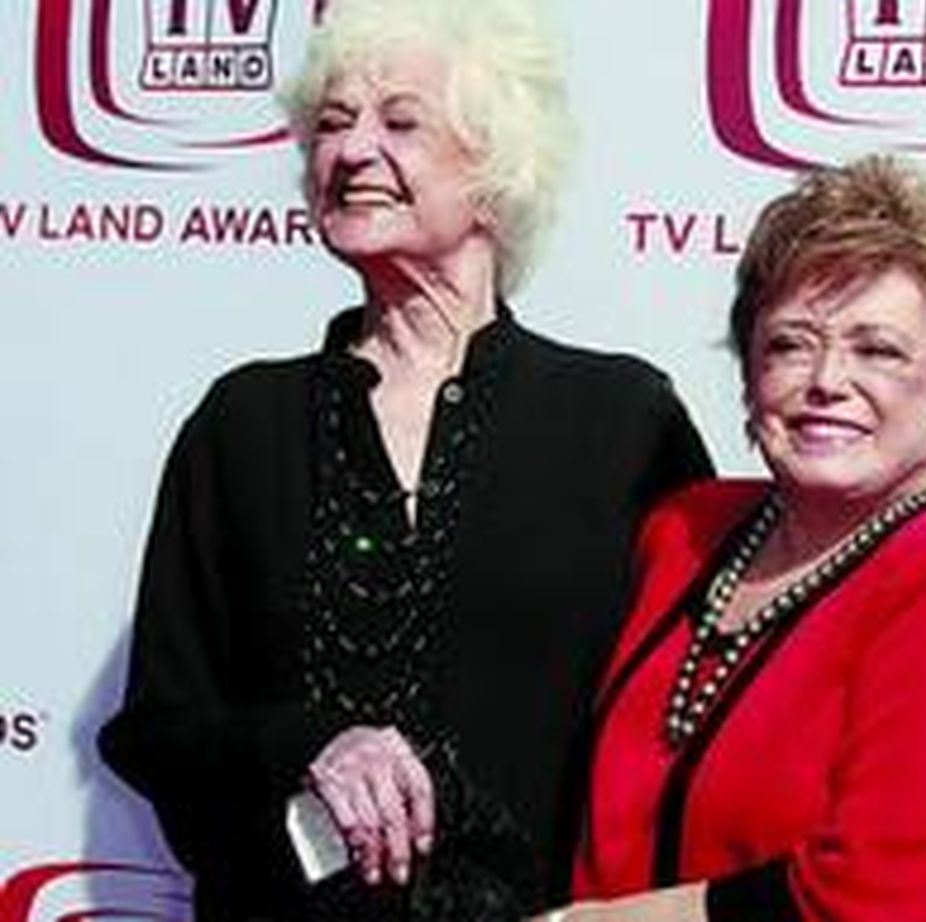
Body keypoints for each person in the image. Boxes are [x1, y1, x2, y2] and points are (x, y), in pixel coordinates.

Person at [96, 0, 711, 919]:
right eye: (332, 123)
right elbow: (157, 729)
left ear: (497, 165)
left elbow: (698, 718)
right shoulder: (243, 423)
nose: (351, 151)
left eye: (400, 122)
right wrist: (305, 744)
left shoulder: (621, 420)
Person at [542, 155, 926, 922]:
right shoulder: (685, 532)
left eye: (877, 350)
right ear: (748, 372)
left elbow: (878, 902)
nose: (826, 380)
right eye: (790, 343)